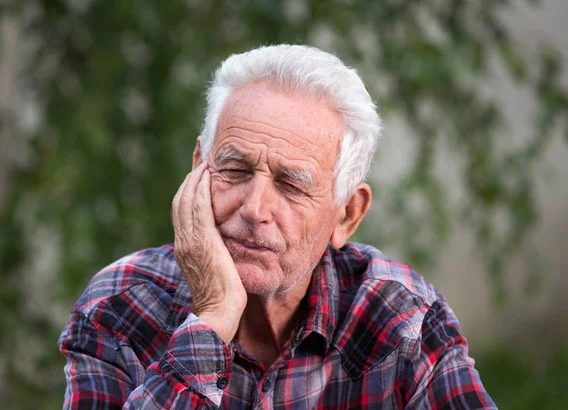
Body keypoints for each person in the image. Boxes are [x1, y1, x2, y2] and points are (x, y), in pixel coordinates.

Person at [59, 44, 497, 409]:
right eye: (234, 169)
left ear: (346, 215)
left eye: (291, 185)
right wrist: (212, 320)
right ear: (198, 169)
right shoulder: (119, 307)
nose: (254, 208)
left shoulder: (403, 318)